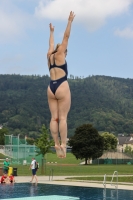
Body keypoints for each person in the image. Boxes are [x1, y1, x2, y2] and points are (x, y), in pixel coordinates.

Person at [47, 11, 75, 158]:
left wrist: (51, 32)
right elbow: (66, 36)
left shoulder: (50, 55)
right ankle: (63, 144)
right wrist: (69, 21)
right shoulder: (60, 53)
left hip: (51, 87)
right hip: (62, 86)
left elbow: (51, 44)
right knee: (63, 117)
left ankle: (56, 143)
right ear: (63, 51)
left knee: (54, 118)